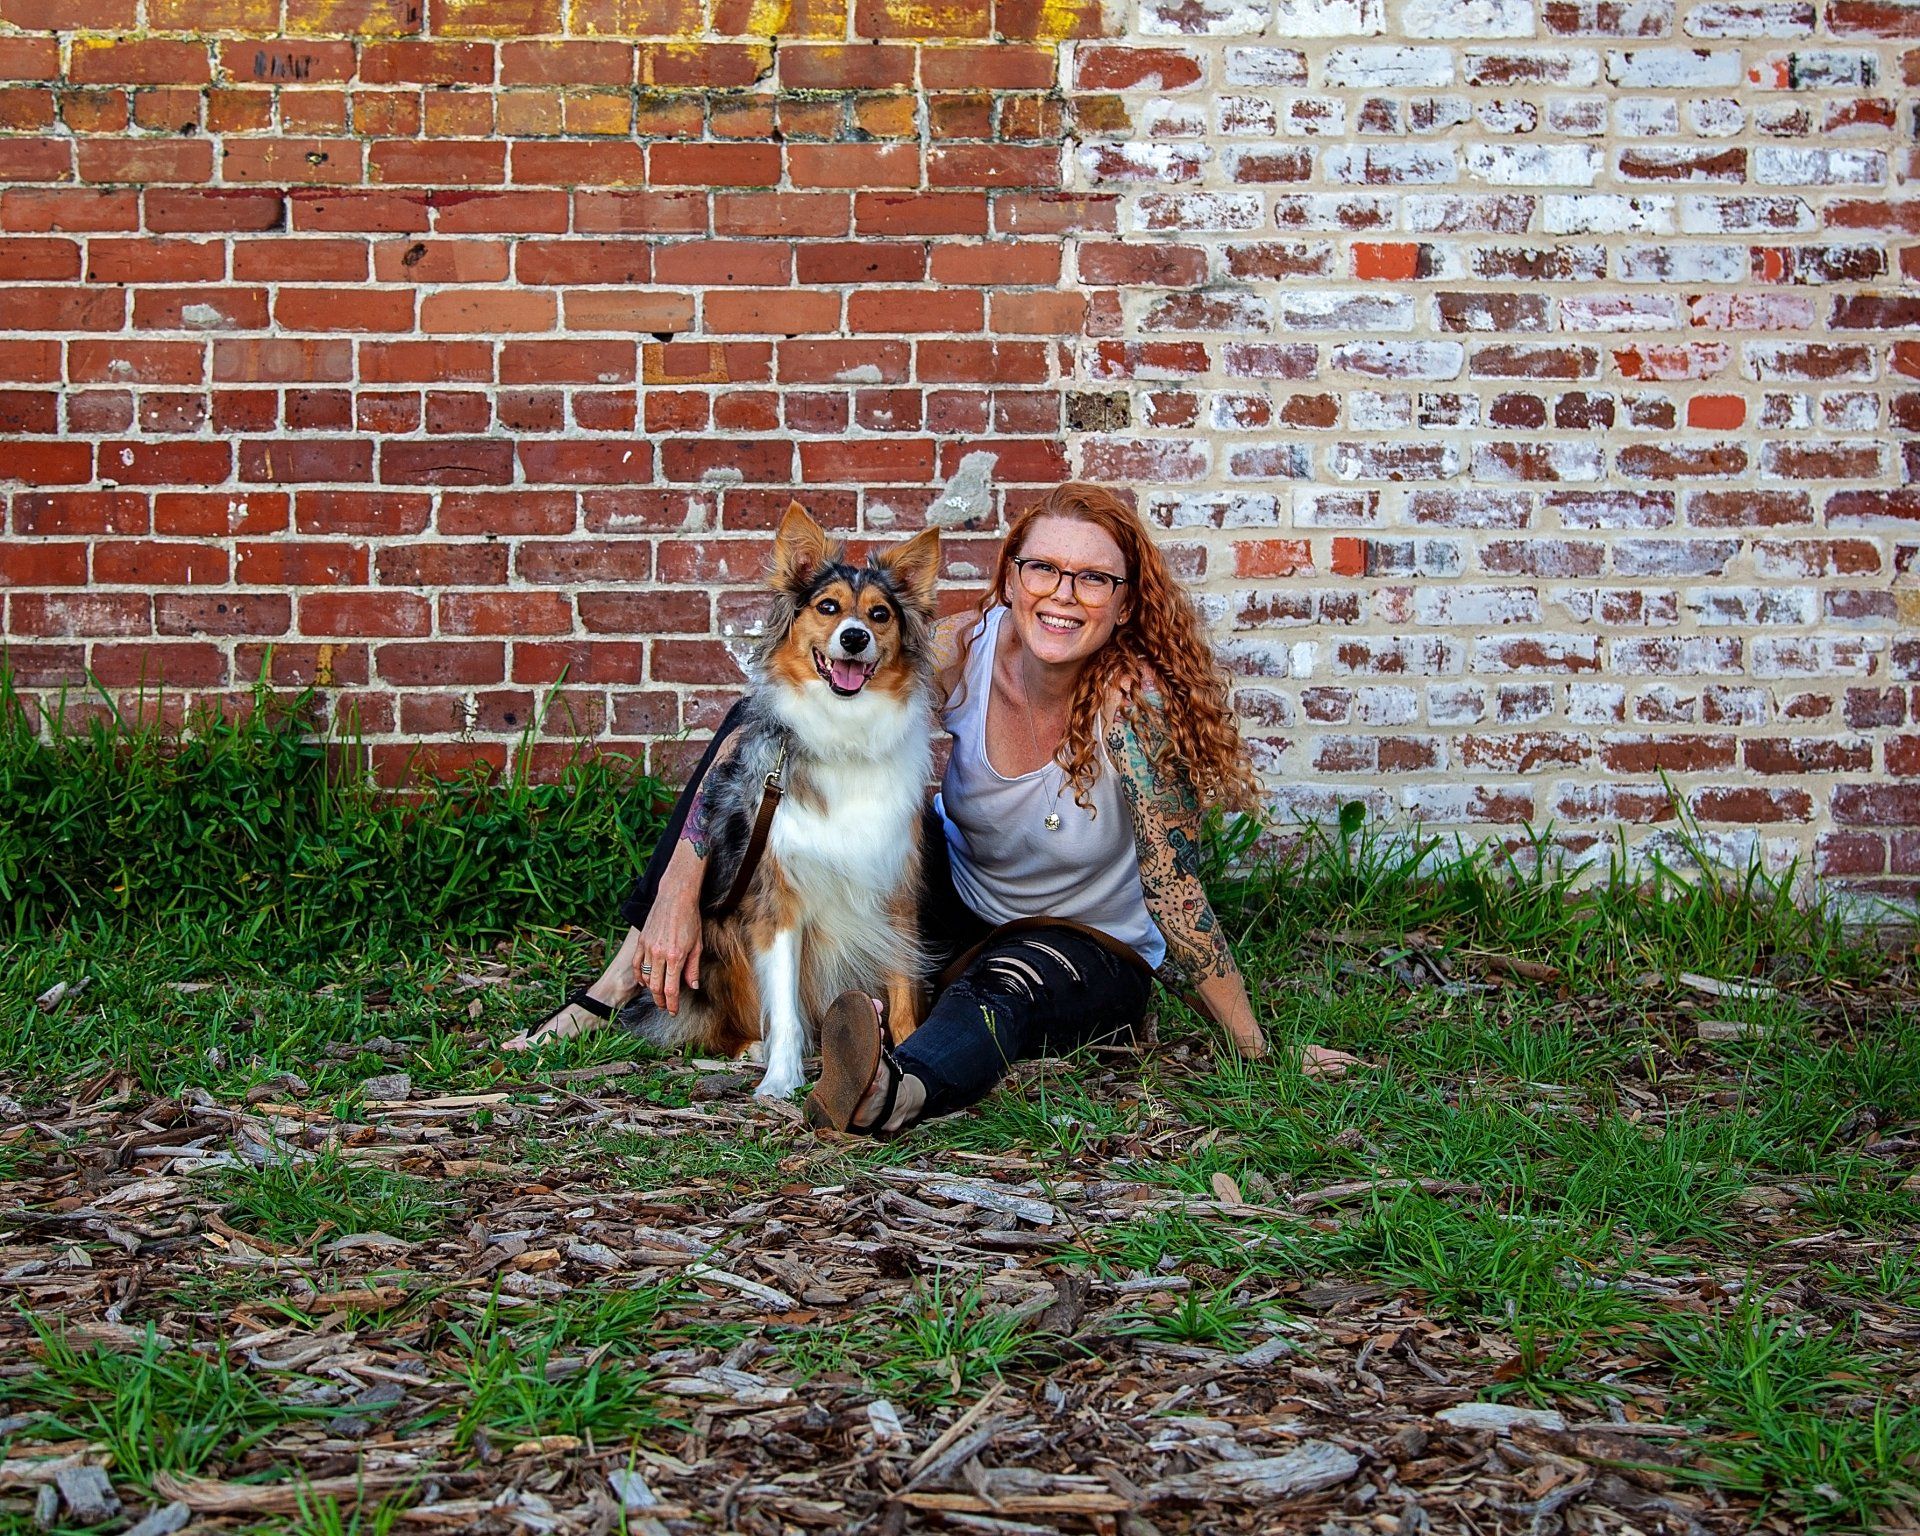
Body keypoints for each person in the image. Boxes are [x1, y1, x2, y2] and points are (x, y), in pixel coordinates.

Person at [504, 483, 1358, 1133]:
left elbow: (1176, 894)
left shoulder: (1128, 709)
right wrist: (676, 891)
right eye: (1044, 569)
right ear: (1011, 578)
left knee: (1002, 987)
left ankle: (887, 1087)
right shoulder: (970, 649)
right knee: (757, 720)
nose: (1063, 594)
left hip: (1082, 947)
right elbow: (763, 726)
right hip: (963, 909)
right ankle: (623, 977)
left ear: (1127, 602)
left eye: (1093, 579)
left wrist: (1255, 1049)